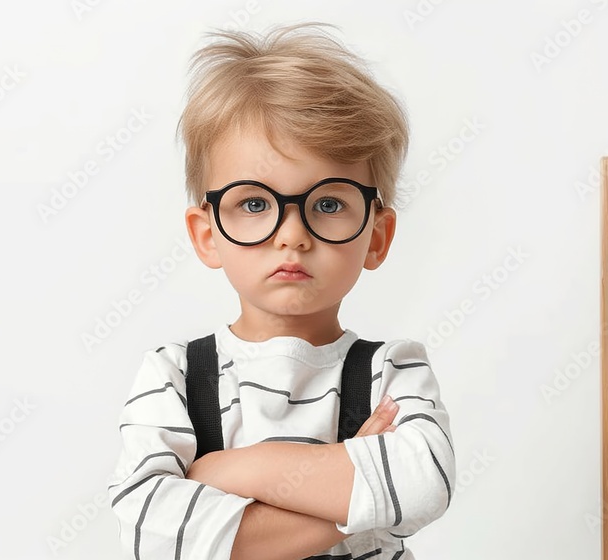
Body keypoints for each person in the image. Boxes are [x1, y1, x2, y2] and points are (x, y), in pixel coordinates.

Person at [106, 22, 455, 560]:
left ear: (377, 237)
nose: (292, 235)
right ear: (207, 236)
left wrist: (229, 469)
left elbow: (420, 485)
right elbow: (152, 533)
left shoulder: (393, 371)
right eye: (254, 204)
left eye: (329, 204)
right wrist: (356, 486)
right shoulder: (173, 375)